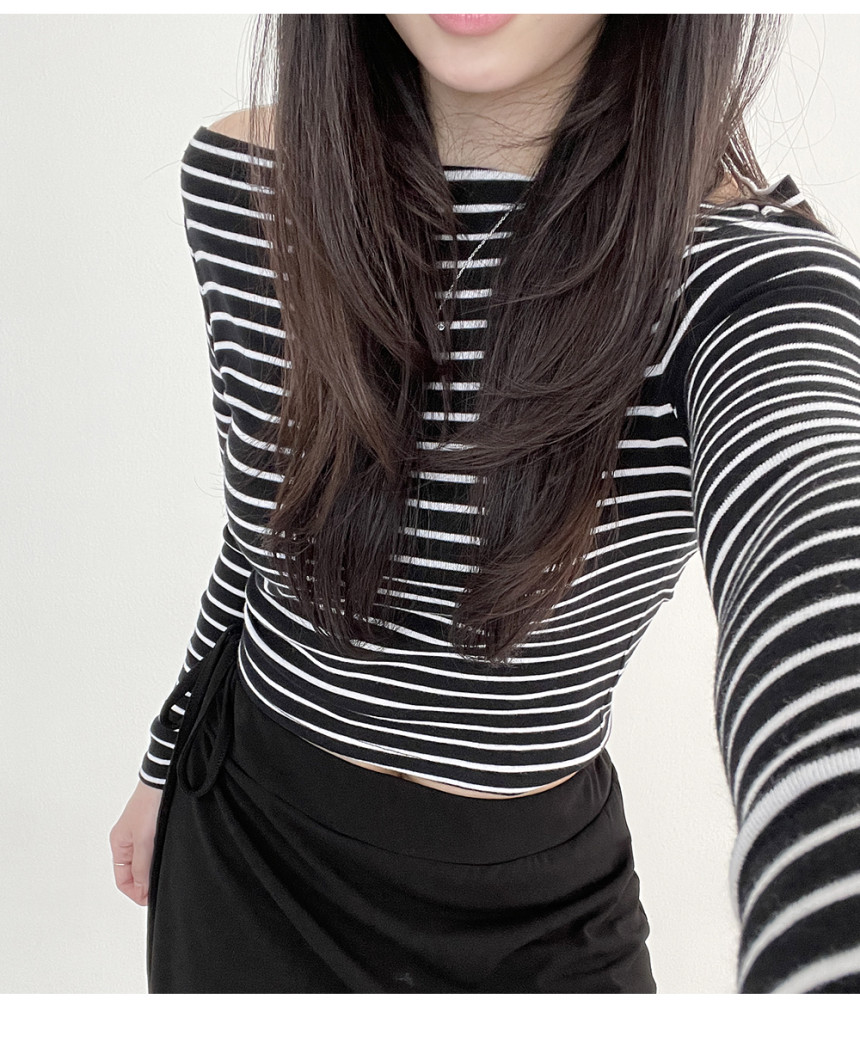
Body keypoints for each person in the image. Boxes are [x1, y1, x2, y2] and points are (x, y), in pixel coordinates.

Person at [109, 14, 860, 993]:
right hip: (244, 835)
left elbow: (816, 543)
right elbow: (265, 532)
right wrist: (165, 757)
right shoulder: (245, 178)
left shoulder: (748, 285)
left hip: (529, 918)